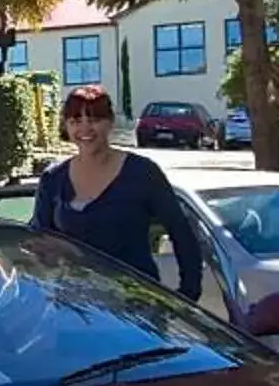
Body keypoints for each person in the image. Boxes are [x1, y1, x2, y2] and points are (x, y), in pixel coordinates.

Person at [31, 84, 206, 301]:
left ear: (110, 122)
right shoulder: (53, 179)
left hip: (137, 309)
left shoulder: (142, 173)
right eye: (75, 121)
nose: (85, 129)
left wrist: (188, 294)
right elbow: (37, 243)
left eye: (94, 120)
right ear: (66, 126)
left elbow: (182, 232)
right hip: (74, 309)